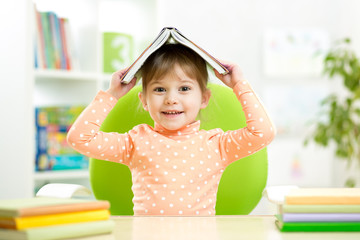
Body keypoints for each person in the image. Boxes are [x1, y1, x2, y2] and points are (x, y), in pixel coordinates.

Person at [67, 44, 276, 216]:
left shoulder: (216, 144)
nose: (171, 99)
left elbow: (262, 133)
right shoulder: (135, 141)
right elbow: (79, 139)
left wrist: (239, 84)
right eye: (159, 89)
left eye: (184, 88)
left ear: (204, 98)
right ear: (145, 101)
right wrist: (112, 94)